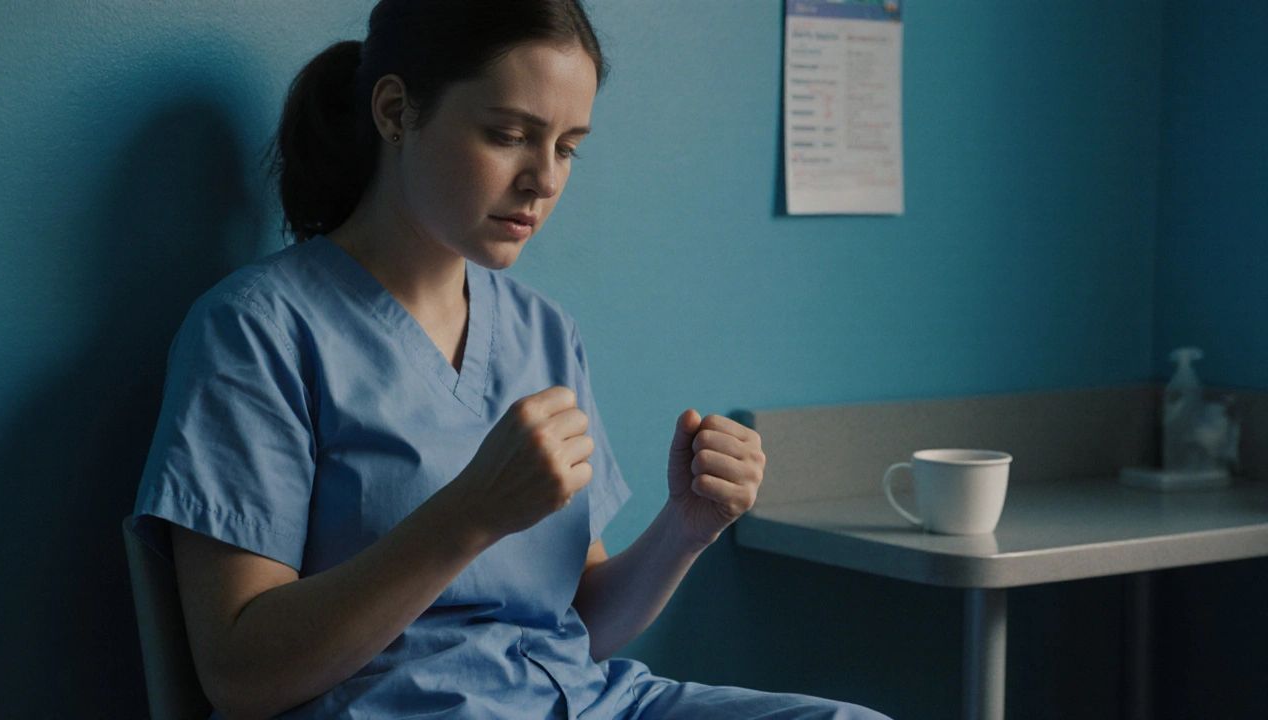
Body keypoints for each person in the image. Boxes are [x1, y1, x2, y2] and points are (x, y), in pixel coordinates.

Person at [131, 1, 892, 719]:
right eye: (508, 134)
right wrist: (470, 512)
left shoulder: (543, 332)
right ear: (397, 112)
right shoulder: (255, 332)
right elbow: (240, 675)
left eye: (567, 148)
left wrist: (684, 528)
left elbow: (578, 621)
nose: (546, 179)